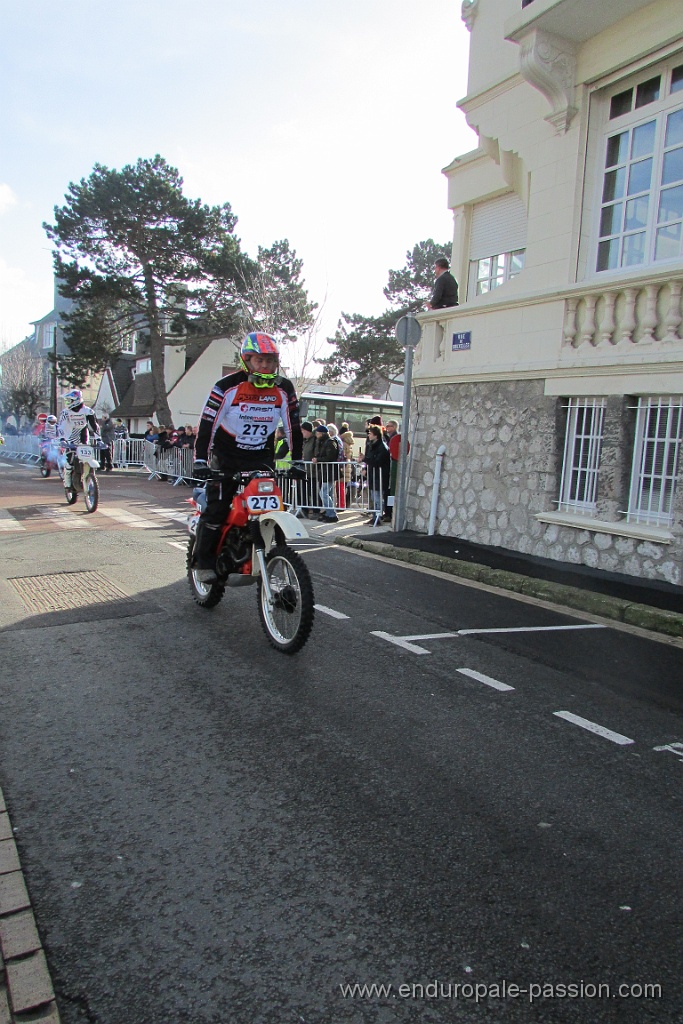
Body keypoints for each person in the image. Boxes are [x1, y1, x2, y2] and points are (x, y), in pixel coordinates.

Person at [191, 332, 303, 580]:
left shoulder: (284, 388)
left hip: (261, 456)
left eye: (271, 360)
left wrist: (297, 460)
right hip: (226, 455)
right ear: (247, 360)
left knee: (272, 504)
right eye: (259, 360)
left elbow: (293, 426)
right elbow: (207, 425)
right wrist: (201, 460)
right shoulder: (226, 387)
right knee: (217, 508)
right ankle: (203, 563)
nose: (266, 366)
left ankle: (277, 560)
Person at [56, 389, 100, 489]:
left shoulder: (88, 411)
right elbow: (61, 426)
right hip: (69, 440)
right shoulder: (65, 413)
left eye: (69, 400)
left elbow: (94, 426)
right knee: (70, 461)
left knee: (88, 457)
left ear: (76, 400)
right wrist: (62, 439)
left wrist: (99, 440)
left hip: (84, 440)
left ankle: (89, 478)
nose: (67, 403)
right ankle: (67, 482)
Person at [311, 423, 339, 523]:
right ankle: (328, 512)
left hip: (329, 472)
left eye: (318, 433)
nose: (316, 435)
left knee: (324, 493)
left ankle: (332, 514)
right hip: (324, 471)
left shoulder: (330, 442)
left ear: (322, 434)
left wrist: (318, 459)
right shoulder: (322, 442)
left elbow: (330, 457)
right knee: (326, 493)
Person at [364, 423, 390, 524]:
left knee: (377, 498)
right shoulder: (372, 445)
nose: (368, 435)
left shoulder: (382, 447)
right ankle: (375, 517)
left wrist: (365, 459)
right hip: (373, 476)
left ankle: (378, 518)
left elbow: (377, 462)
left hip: (379, 477)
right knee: (374, 498)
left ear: (376, 435)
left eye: (370, 433)